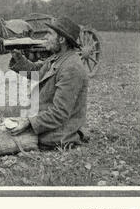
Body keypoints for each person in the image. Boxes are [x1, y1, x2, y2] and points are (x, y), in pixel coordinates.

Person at [8, 16, 89, 149]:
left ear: (61, 39)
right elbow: (36, 71)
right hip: (44, 119)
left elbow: (59, 113)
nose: (45, 36)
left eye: (50, 34)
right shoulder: (57, 58)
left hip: (57, 133)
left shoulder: (72, 68)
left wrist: (28, 122)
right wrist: (17, 57)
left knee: (7, 134)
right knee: (5, 115)